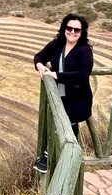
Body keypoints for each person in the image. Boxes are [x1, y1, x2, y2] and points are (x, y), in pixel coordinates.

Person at [33, 13, 93, 173]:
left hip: (78, 98)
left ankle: (58, 158)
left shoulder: (84, 50)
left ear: (82, 32)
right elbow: (39, 56)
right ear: (64, 28)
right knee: (58, 122)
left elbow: (83, 75)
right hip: (60, 95)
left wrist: (56, 75)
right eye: (69, 28)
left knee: (66, 124)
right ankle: (58, 157)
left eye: (77, 30)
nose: (73, 32)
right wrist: (40, 66)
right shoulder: (57, 44)